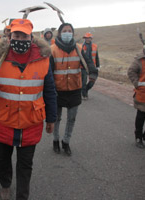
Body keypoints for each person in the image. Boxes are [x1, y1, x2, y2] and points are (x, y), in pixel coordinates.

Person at [0, 18, 57, 200]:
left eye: (24, 35)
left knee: (25, 163)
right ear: (10, 36)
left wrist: (51, 118)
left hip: (31, 122)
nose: (20, 39)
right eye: (16, 35)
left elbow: (50, 91)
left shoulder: (43, 60)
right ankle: (5, 185)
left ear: (31, 38)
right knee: (4, 160)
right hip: (4, 120)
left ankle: (22, 195)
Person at [50, 23, 96, 156]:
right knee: (56, 118)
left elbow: (89, 63)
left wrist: (93, 74)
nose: (67, 33)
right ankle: (55, 140)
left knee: (72, 119)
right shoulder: (52, 50)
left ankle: (66, 142)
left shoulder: (79, 48)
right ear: (59, 33)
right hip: (57, 90)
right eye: (64, 31)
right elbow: (49, 72)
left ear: (73, 33)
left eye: (70, 31)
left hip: (75, 88)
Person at [81, 32, 100, 100]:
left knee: (92, 82)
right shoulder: (81, 46)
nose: (87, 39)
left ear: (91, 38)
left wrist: (98, 66)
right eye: (86, 38)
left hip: (92, 67)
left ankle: (85, 90)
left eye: (89, 38)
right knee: (83, 82)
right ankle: (84, 95)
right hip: (83, 67)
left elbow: (97, 57)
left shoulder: (95, 46)